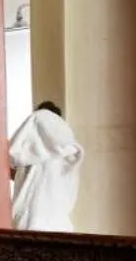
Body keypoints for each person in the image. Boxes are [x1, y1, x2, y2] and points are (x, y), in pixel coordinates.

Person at [8, 100, 83, 233]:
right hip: (60, 223)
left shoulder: (37, 121)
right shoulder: (68, 149)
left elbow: (14, 157)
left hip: (32, 221)